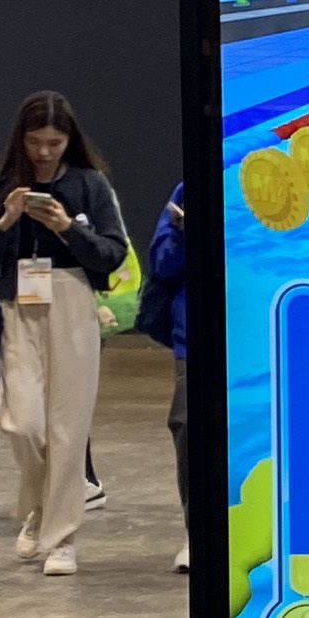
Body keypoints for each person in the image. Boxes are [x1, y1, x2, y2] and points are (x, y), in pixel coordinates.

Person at [0, 90, 127, 575]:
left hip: (71, 300)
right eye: (35, 141)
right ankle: (41, 507)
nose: (44, 152)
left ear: (69, 141)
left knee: (68, 425)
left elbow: (112, 254)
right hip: (18, 302)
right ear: (20, 139)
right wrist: (6, 222)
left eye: (54, 143)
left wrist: (67, 227)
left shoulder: (90, 184)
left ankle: (62, 536)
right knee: (23, 423)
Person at [135, 180, 191, 573]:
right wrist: (185, 234)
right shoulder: (187, 191)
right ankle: (198, 532)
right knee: (189, 430)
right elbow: (162, 264)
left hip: (261, 333)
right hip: (195, 339)